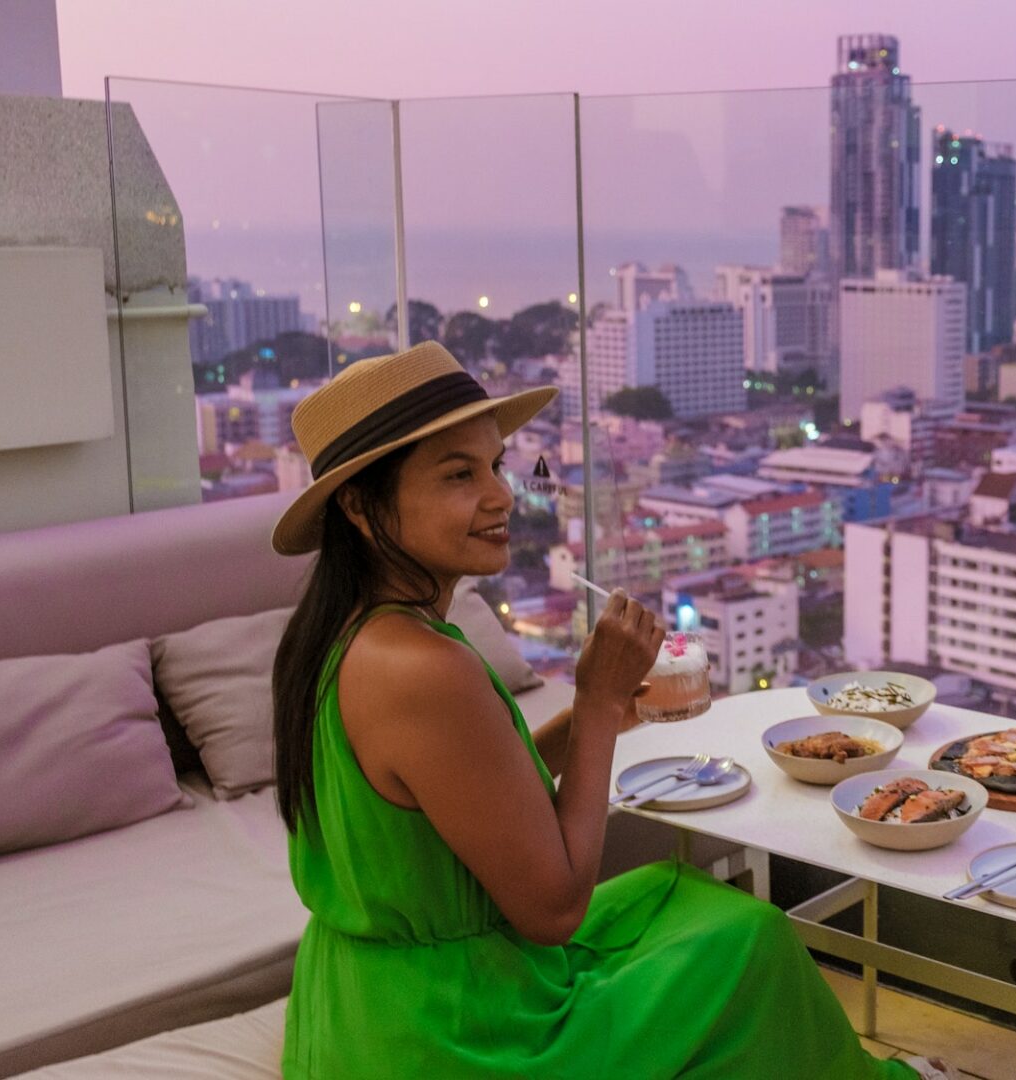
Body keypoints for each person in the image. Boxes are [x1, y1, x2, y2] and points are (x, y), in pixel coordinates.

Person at [269, 342, 953, 1079]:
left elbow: (464, 791)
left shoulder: (345, 633)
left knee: (676, 896)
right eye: (459, 475)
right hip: (456, 1030)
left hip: (360, 1000)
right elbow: (555, 910)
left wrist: (584, 725)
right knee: (747, 938)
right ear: (360, 506)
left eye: (496, 466)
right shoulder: (423, 667)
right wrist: (594, 703)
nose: (501, 497)